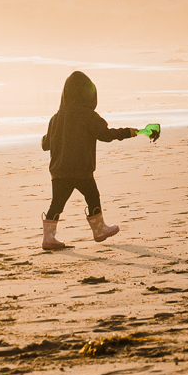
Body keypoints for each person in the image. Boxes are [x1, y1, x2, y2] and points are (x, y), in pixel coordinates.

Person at [40, 70, 141, 250]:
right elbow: (106, 135)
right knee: (93, 196)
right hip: (81, 169)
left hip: (59, 170)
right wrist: (131, 132)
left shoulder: (56, 118)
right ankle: (99, 229)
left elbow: (46, 144)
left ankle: (48, 238)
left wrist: (48, 137)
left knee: (57, 203)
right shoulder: (88, 116)